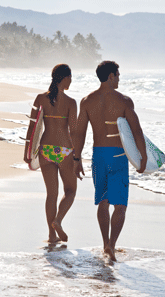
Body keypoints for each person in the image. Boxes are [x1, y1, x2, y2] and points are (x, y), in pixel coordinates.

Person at [73, 61, 147, 261]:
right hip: (118, 156)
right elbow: (136, 131)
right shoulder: (124, 101)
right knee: (120, 205)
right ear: (111, 76)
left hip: (98, 155)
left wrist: (76, 158)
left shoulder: (87, 101)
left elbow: (80, 132)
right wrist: (143, 157)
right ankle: (112, 246)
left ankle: (105, 243)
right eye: (118, 74)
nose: (120, 78)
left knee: (103, 202)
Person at [24, 64, 77, 243]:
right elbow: (74, 132)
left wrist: (28, 152)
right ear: (65, 78)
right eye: (70, 77)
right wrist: (77, 158)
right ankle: (58, 220)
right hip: (64, 150)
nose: (72, 80)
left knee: (51, 194)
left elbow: (32, 127)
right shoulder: (71, 102)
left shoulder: (40, 98)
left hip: (46, 150)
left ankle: (51, 235)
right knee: (70, 191)